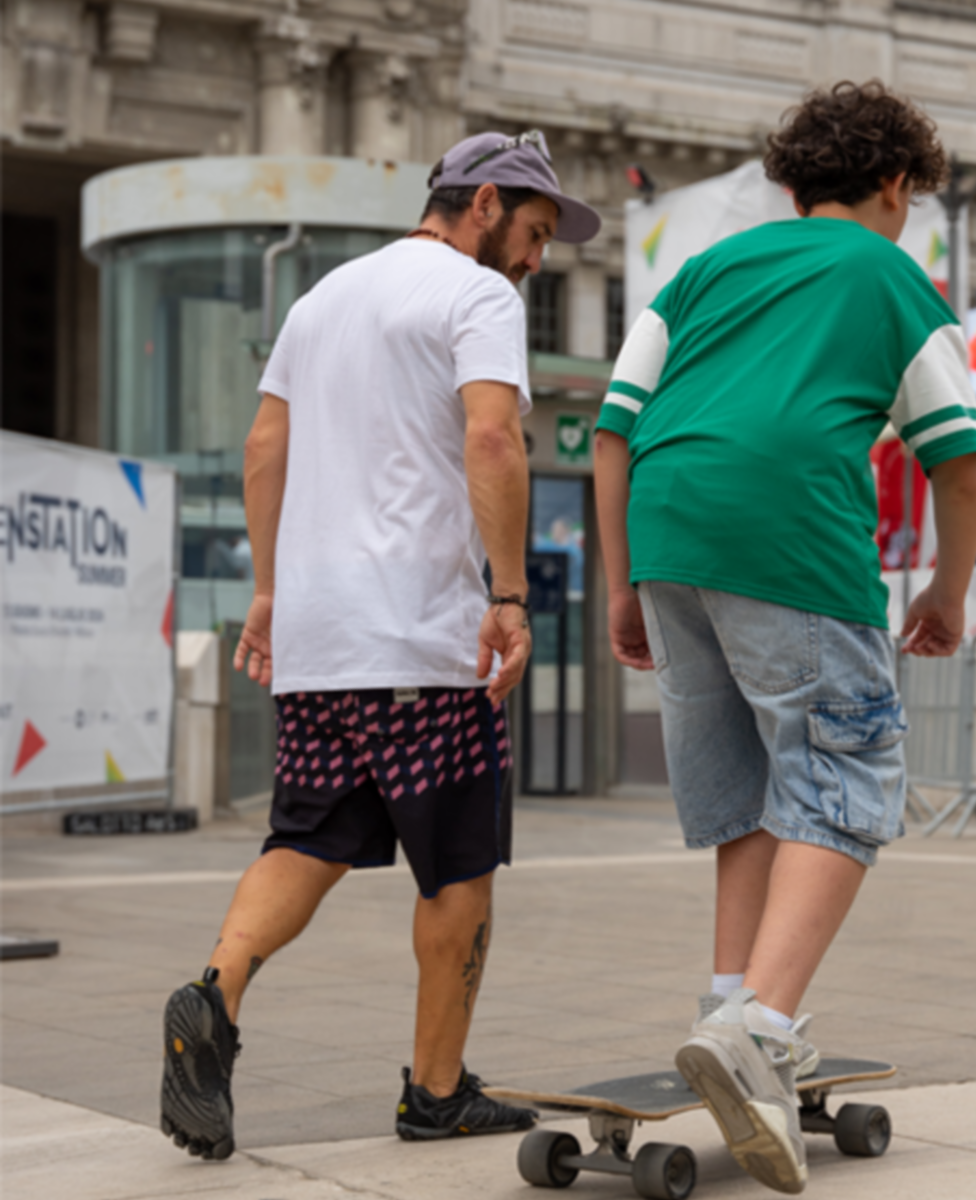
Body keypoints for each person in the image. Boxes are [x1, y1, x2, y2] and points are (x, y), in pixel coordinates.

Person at [159, 130, 601, 1159]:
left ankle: (210, 1002)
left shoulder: (319, 303)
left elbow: (264, 447)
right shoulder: (475, 296)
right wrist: (506, 594)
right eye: (535, 233)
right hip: (424, 641)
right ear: (484, 205)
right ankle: (435, 1094)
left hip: (322, 644)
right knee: (459, 869)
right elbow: (493, 437)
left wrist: (269, 591)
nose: (536, 261)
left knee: (305, 840)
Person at [594, 81, 976, 1194]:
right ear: (898, 184)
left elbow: (614, 431)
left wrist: (625, 589)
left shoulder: (705, 270)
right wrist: (947, 595)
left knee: (751, 790)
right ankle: (759, 1035)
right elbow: (956, 458)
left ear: (789, 180)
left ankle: (728, 1002)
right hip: (790, 537)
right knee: (846, 775)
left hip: (669, 528)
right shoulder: (891, 275)